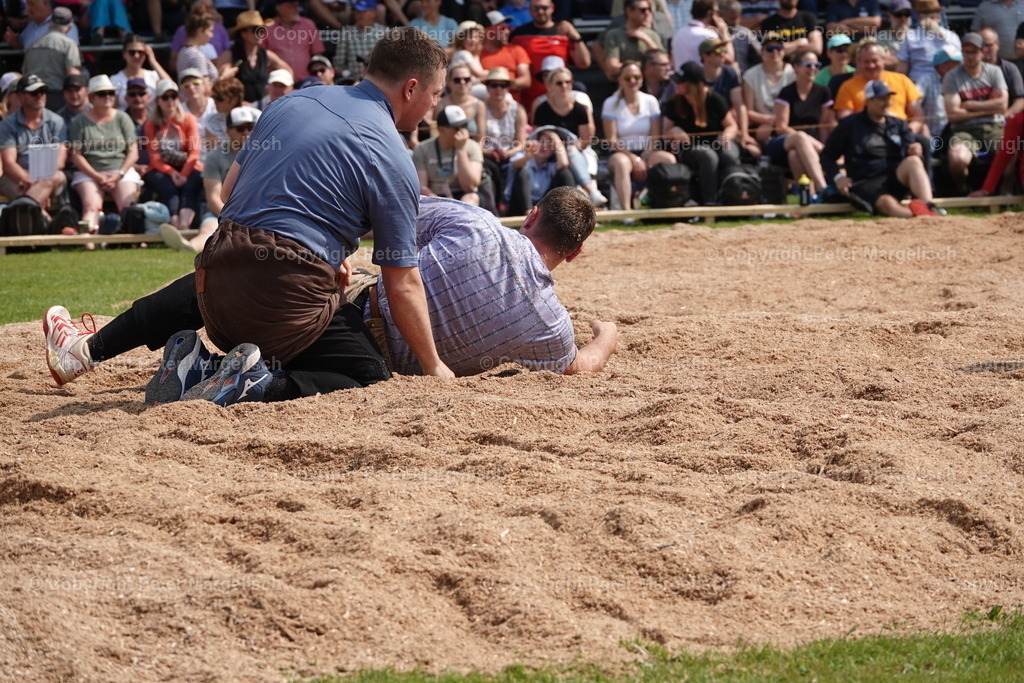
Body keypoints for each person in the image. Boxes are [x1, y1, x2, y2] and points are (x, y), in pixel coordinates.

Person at [45, 28, 456, 405]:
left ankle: (90, 351)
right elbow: (401, 281)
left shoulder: (294, 100)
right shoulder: (393, 156)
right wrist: (433, 365)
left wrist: (322, 242)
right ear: (411, 88)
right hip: (282, 310)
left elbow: (229, 194)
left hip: (215, 284)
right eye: (436, 94)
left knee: (238, 261)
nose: (435, 106)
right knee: (365, 374)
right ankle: (254, 383)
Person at [46, 188, 616, 407]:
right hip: (365, 360)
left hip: (345, 317)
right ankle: (237, 380)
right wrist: (607, 334)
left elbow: (389, 214)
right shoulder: (550, 326)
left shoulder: (475, 224)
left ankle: (93, 350)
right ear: (576, 253)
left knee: (228, 287)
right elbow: (577, 368)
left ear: (533, 214)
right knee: (357, 378)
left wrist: (332, 250)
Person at [822, 80, 940, 217]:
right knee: (888, 204)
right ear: (868, 101)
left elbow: (910, 146)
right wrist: (838, 178)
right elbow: (827, 155)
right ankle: (918, 217)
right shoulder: (849, 125)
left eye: (888, 98)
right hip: (864, 181)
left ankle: (928, 206)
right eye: (881, 99)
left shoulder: (898, 124)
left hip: (894, 177)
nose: (886, 103)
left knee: (913, 161)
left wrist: (914, 149)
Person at [162, 106, 258, 253]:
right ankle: (188, 247)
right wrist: (235, 220)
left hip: (253, 212)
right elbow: (213, 198)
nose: (246, 133)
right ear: (228, 131)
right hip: (221, 212)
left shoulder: (261, 155)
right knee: (209, 230)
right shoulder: (215, 156)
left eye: (250, 128)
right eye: (240, 128)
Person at [68, 75, 141, 236]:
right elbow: (76, 155)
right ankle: (88, 241)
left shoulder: (123, 117)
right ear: (92, 98)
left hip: (121, 170)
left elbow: (133, 152)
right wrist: (97, 176)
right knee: (91, 206)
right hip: (89, 172)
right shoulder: (79, 121)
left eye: (110, 93)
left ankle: (134, 241)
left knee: (128, 205)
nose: (108, 97)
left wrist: (119, 174)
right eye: (102, 93)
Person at [661, 61, 740, 205]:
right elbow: (664, 132)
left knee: (729, 154)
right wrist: (674, 130)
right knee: (707, 156)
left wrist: (726, 135)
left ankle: (734, 197)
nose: (676, 85)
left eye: (681, 82)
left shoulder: (714, 99)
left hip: (716, 142)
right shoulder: (674, 102)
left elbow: (731, 125)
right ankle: (710, 202)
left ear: (693, 85)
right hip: (689, 147)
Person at [943, 32, 1008, 194]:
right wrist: (988, 108)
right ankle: (963, 191)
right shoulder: (952, 76)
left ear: (982, 52)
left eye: (974, 51)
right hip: (964, 131)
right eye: (966, 51)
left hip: (994, 127)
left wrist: (970, 105)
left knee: (1011, 152)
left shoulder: (994, 72)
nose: (970, 56)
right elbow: (953, 115)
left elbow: (1002, 106)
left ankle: (1006, 191)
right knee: (957, 159)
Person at [532, 67, 606, 206]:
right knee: (570, 154)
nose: (564, 86)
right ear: (550, 86)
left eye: (568, 82)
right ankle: (590, 190)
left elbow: (585, 140)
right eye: (559, 83)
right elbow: (538, 135)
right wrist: (555, 139)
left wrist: (573, 146)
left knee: (572, 152)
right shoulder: (542, 108)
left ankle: (588, 197)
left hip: (575, 151)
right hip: (551, 153)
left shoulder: (579, 108)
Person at [768, 48, 833, 197]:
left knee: (794, 155)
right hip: (783, 142)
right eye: (808, 65)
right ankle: (822, 187)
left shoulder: (824, 92)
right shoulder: (786, 92)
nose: (813, 69)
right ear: (797, 67)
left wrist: (825, 147)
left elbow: (824, 126)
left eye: (816, 65)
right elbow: (781, 127)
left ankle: (810, 197)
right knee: (800, 137)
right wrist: (812, 142)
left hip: (809, 148)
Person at [0, 74, 68, 213]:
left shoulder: (57, 121)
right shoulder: (8, 124)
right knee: (22, 186)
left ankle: (33, 215)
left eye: (42, 91)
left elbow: (59, 161)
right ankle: (45, 221)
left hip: (48, 176)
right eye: (34, 92)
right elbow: (9, 163)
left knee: (55, 176)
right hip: (17, 177)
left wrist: (37, 181)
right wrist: (31, 182)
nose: (39, 96)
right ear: (21, 96)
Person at [601, 60, 664, 211]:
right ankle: (626, 213)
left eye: (636, 77)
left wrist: (645, 156)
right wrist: (634, 159)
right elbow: (612, 140)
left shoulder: (651, 101)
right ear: (620, 80)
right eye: (628, 78)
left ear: (642, 79)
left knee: (668, 159)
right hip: (621, 153)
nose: (633, 81)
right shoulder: (610, 103)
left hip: (647, 151)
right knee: (622, 164)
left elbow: (655, 136)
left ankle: (661, 205)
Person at [144, 79, 203, 231]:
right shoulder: (151, 124)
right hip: (161, 168)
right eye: (165, 97)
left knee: (189, 187)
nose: (170, 100)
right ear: (158, 101)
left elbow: (194, 151)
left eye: (173, 96)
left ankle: (184, 226)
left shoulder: (188, 119)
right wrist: (172, 173)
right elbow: (154, 157)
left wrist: (183, 174)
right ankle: (175, 227)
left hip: (187, 166)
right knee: (169, 189)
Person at [510, 0, 591, 108]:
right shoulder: (518, 35)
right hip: (528, 98)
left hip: (561, 95)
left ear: (552, 8)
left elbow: (584, 63)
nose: (540, 12)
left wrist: (576, 36)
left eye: (544, 8)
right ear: (529, 10)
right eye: (536, 8)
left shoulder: (563, 33)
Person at [414, 104, 485, 206]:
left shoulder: (472, 147)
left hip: (463, 196)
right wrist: (442, 203)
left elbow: (469, 186)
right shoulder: (422, 149)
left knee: (472, 198)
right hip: (435, 198)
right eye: (457, 128)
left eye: (464, 126)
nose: (462, 131)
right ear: (441, 129)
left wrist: (461, 150)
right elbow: (422, 187)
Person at [481, 66, 528, 211]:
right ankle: (492, 212)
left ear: (508, 88)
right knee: (486, 169)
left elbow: (521, 143)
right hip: (488, 155)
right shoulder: (481, 107)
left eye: (503, 85)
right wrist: (489, 153)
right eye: (494, 85)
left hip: (511, 154)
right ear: (488, 87)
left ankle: (526, 209)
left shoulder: (517, 109)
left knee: (521, 169)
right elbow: (480, 139)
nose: (498, 89)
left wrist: (509, 153)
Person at [220, 10, 292, 102]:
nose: (260, 34)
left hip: (264, 107)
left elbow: (289, 71)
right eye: (255, 30)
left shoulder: (267, 54)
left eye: (262, 30)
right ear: (243, 34)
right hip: (240, 110)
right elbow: (219, 84)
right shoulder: (230, 55)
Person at [21, 6, 81, 109]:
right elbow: (72, 74)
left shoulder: (33, 45)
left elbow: (24, 74)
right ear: (69, 28)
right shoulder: (69, 44)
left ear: (50, 24)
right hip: (57, 96)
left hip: (33, 97)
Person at [742, 32, 795, 145]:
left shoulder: (794, 73)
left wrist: (781, 122)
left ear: (784, 50)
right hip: (763, 124)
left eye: (778, 48)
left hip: (790, 122)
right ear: (762, 52)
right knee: (764, 130)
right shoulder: (750, 75)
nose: (774, 52)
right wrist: (772, 120)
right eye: (770, 48)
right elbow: (749, 112)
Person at [895, 0, 961, 87]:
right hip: (946, 86)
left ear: (918, 17)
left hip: (919, 87)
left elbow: (901, 71)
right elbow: (960, 66)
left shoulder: (910, 37)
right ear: (938, 16)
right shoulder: (952, 37)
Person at [599, 0, 665, 81]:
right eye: (643, 10)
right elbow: (612, 68)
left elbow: (662, 63)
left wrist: (646, 39)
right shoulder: (614, 35)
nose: (647, 13)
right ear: (629, 11)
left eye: (649, 10)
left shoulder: (653, 35)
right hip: (628, 83)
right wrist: (638, 65)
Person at [264, 0, 326, 79]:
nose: (297, 9)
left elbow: (317, 54)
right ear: (279, 8)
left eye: (298, 6)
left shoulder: (308, 24)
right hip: (279, 82)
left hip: (306, 81)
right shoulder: (268, 27)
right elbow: (260, 53)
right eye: (292, 6)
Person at [479, 11, 531, 101]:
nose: (507, 32)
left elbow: (526, 80)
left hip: (513, 107)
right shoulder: (477, 54)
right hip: (485, 106)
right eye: (502, 29)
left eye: (508, 28)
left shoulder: (516, 50)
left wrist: (501, 83)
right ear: (488, 32)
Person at [111, 34, 173, 110]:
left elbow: (171, 87)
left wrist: (153, 62)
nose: (136, 56)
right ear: (124, 54)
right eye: (132, 52)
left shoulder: (153, 75)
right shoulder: (115, 79)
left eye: (140, 52)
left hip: (152, 120)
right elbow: (112, 108)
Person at [333, 0, 388, 77]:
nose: (359, 15)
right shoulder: (346, 33)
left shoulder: (385, 32)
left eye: (363, 11)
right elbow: (339, 64)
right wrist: (349, 76)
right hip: (355, 81)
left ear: (374, 13)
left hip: (380, 80)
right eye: (357, 11)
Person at [671, 0, 731, 69]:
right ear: (709, 13)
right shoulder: (709, 35)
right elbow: (729, 59)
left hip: (681, 78)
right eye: (716, 13)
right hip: (702, 78)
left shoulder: (678, 34)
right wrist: (724, 34)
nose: (718, 17)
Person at [979, 28, 1024, 118]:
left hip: (1005, 119)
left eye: (989, 45)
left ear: (998, 45)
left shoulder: (1009, 68)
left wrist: (1004, 117)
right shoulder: (970, 70)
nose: (985, 49)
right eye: (982, 46)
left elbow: (1020, 100)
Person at [434, 63, 486, 140]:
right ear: (449, 82)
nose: (462, 82)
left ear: (471, 81)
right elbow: (436, 135)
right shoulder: (440, 105)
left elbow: (481, 137)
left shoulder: (479, 105)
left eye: (466, 79)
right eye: (457, 80)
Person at [3, 0, 80, 49]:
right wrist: (13, 41)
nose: (28, 9)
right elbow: (22, 48)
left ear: (45, 4)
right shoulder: (30, 27)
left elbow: (74, 53)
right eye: (27, 5)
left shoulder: (63, 24)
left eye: (31, 4)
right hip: (31, 73)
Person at [176, 7, 222, 83]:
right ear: (200, 31)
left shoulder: (184, 51)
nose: (212, 35)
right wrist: (224, 77)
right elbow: (204, 89)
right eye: (210, 31)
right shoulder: (196, 56)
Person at [876, 0, 912, 68]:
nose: (903, 18)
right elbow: (882, 61)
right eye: (898, 14)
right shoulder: (881, 37)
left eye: (907, 14)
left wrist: (895, 57)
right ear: (889, 15)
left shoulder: (916, 36)